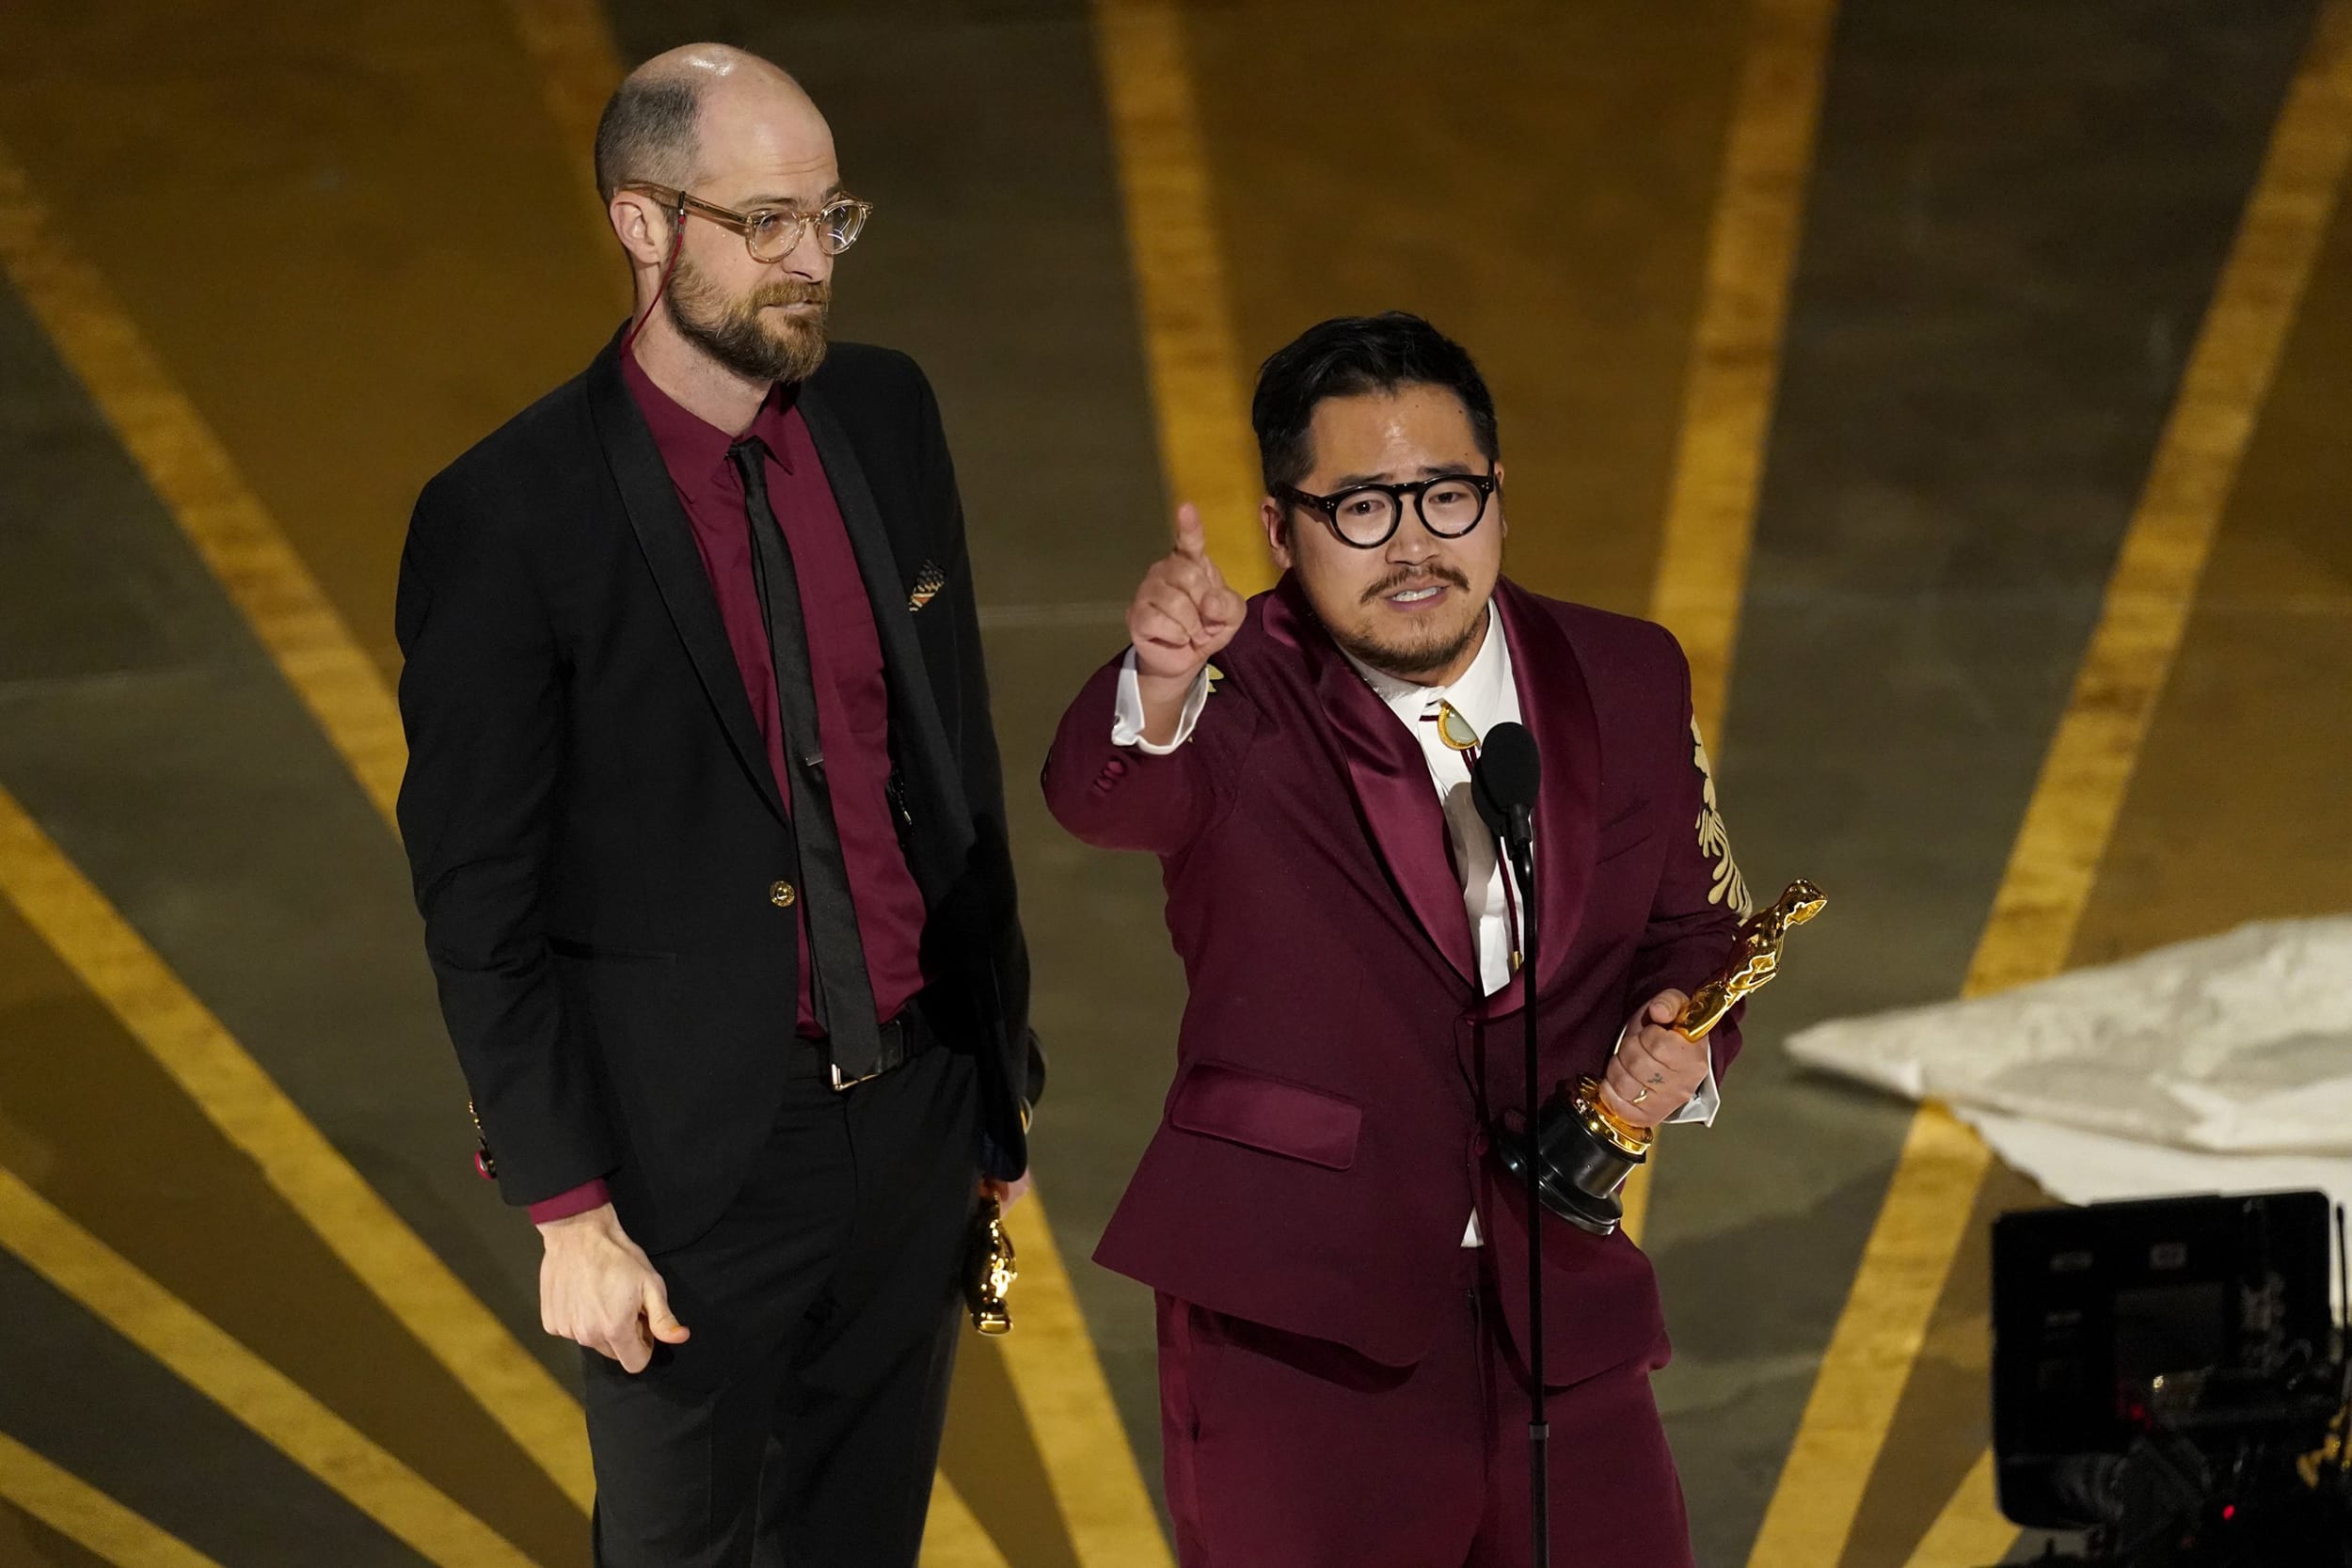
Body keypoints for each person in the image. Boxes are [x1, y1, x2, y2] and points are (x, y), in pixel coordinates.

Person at [395, 43, 1040, 1568]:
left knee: (861, 1541)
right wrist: (565, 1206)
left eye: (830, 219)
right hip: (685, 1166)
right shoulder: (507, 513)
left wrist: (991, 1085)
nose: (811, 261)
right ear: (641, 224)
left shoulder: (887, 415)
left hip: (917, 1115)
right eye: (766, 224)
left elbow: (947, 757)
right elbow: (476, 891)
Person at [1041, 311, 1749, 1567]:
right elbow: (1105, 797)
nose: (1414, 544)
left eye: (1446, 497)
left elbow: (1694, 935)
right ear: (1282, 529)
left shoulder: (1625, 672)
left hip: (1560, 1316)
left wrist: (1683, 1047)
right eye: (1361, 507)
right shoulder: (1226, 687)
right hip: (1302, 1333)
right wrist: (1154, 681)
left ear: (1498, 499)